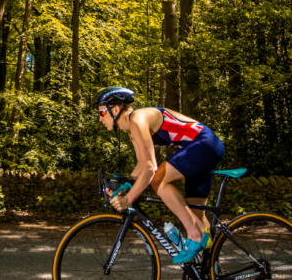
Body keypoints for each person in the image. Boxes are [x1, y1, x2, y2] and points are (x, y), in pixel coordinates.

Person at [94, 86, 225, 264]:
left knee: (159, 180)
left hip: (204, 144)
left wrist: (129, 199)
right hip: (204, 148)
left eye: (102, 113)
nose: (99, 118)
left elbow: (150, 168)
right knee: (198, 219)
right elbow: (141, 164)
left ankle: (194, 236)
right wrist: (126, 186)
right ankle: (213, 279)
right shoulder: (132, 130)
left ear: (115, 109)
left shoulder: (138, 120)